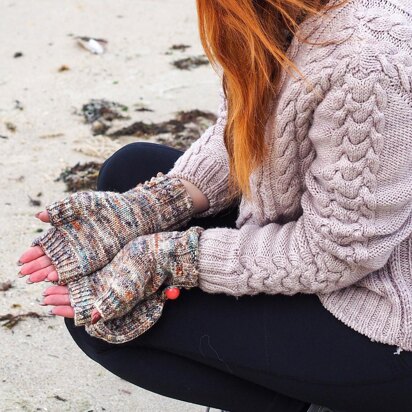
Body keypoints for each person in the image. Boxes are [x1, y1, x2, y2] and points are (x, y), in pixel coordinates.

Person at [17, 0, 412, 411]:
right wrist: (151, 207)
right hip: (336, 244)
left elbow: (337, 253)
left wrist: (171, 258)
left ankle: (308, 400)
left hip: (386, 315)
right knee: (127, 170)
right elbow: (244, 131)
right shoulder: (274, 16)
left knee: (102, 326)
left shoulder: (367, 61)